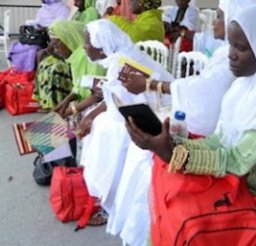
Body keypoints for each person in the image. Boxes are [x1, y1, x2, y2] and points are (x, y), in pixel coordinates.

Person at [126, 4, 256, 205]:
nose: (230, 54)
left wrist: (172, 153)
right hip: (241, 178)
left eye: (241, 48)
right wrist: (172, 144)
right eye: (230, 44)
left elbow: (236, 161)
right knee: (163, 181)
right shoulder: (248, 84)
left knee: (179, 201)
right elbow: (218, 141)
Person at [77, 19, 174, 245]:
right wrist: (90, 115)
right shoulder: (118, 59)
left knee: (106, 131)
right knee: (99, 123)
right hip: (141, 109)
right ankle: (106, 196)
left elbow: (123, 104)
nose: (85, 47)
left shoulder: (123, 63)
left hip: (159, 117)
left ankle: (109, 196)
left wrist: (91, 117)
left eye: (88, 43)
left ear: (102, 45)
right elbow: (115, 97)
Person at [121, 0, 256, 136]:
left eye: (219, 16)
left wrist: (150, 84)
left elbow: (203, 88)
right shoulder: (223, 52)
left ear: (233, 20)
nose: (214, 21)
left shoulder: (234, 58)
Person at [49, 20, 106, 118]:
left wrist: (72, 110)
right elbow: (79, 87)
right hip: (86, 101)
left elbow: (98, 95)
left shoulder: (92, 56)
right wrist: (66, 101)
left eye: (57, 45)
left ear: (69, 40)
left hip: (101, 104)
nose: (55, 50)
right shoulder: (77, 57)